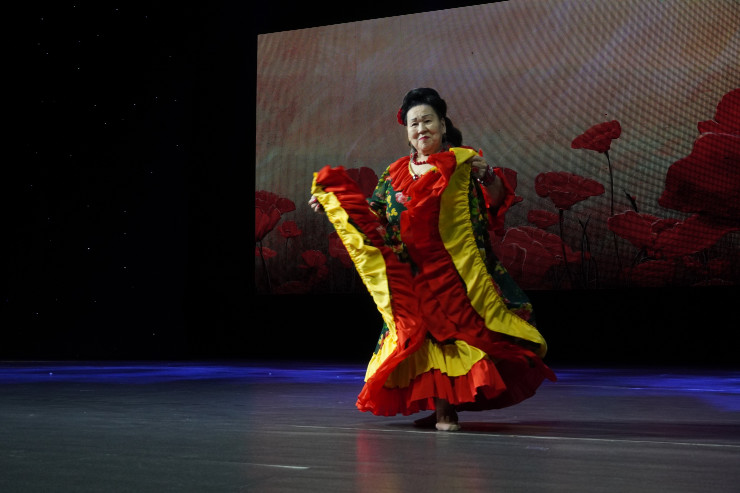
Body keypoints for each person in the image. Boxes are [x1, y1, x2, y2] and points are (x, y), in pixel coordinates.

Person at [309, 87, 555, 431]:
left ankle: (446, 409)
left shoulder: (462, 164)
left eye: (427, 121)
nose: (420, 129)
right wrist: (335, 205)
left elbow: (496, 201)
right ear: (407, 132)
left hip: (455, 271)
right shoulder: (394, 173)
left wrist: (488, 176)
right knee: (421, 338)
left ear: (442, 124)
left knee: (457, 335)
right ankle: (443, 407)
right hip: (412, 271)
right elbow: (374, 216)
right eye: (413, 124)